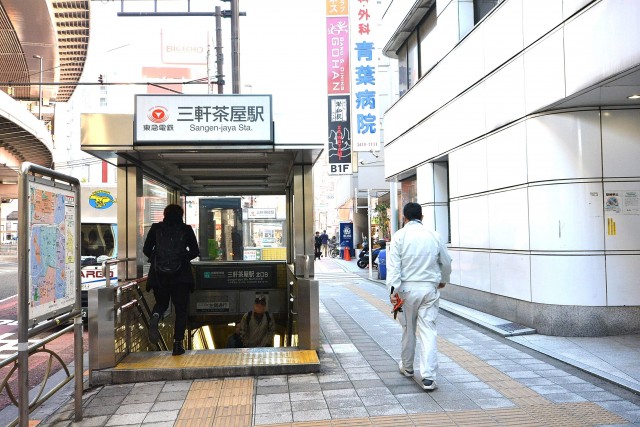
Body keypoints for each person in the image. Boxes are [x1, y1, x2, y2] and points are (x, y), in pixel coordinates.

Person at [387, 202, 452, 391]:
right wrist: (443, 280)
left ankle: (407, 368)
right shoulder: (434, 235)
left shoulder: (399, 236)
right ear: (421, 217)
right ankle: (429, 377)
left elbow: (394, 268)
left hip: (405, 291)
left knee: (408, 329)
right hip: (428, 289)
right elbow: (446, 262)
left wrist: (393, 292)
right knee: (428, 331)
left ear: (404, 218)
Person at [143, 204, 200, 356]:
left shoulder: (156, 228)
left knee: (161, 303)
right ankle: (177, 345)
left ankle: (156, 316)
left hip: (159, 275)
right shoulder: (186, 229)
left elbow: (146, 249)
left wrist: (158, 259)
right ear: (181, 215)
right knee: (181, 310)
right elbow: (195, 251)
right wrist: (182, 257)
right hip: (181, 277)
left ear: (165, 214)